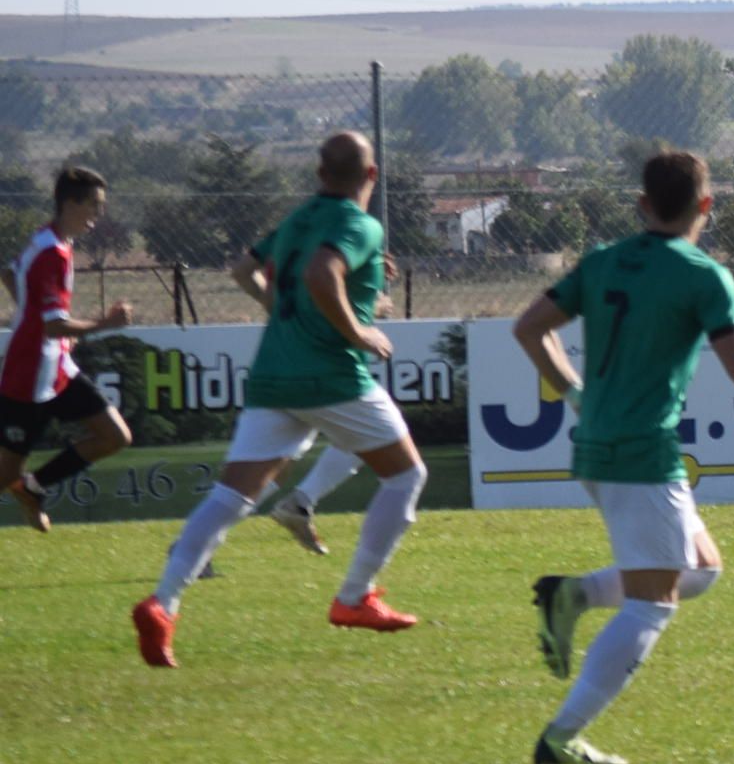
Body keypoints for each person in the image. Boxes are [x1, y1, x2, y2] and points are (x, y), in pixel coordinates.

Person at [516, 147, 734, 764]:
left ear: (641, 204)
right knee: (652, 602)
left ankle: (574, 595)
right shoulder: (701, 274)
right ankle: (561, 739)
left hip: (599, 446)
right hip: (642, 453)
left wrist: (575, 394)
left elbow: (529, 327)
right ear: (706, 207)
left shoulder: (603, 262)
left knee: (702, 567)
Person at [133, 132, 428, 666]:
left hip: (274, 373)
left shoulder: (297, 221)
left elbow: (245, 270)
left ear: (319, 174)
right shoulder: (361, 224)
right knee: (406, 476)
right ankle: (354, 596)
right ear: (373, 175)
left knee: (230, 498)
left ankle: (163, 602)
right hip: (331, 377)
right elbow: (322, 273)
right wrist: (358, 332)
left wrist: (286, 309)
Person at [2, 165, 136, 532]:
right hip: (28, 377)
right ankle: (24, 485)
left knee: (115, 436)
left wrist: (35, 315)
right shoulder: (52, 254)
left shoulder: (48, 239)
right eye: (95, 204)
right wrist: (107, 323)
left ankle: (34, 488)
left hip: (58, 367)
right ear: (70, 204)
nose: (99, 213)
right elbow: (53, 325)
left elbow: (10, 273)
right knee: (4, 474)